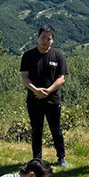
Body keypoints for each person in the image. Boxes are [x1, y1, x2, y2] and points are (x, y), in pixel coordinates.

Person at [20, 26, 69, 167]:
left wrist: (48, 90)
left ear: (52, 40)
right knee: (36, 129)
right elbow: (24, 77)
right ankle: (37, 158)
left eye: (49, 38)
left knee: (56, 129)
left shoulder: (58, 56)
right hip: (34, 99)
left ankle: (61, 157)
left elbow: (61, 78)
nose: (45, 41)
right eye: (43, 37)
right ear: (38, 37)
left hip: (52, 99)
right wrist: (36, 90)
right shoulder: (28, 56)